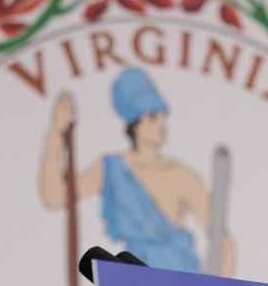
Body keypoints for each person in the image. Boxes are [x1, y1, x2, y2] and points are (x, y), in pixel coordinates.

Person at [40, 67, 234, 275]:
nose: (161, 125)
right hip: (135, 285)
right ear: (135, 124)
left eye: (162, 117)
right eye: (152, 117)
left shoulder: (181, 175)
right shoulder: (112, 169)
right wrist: (56, 133)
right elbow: (56, 195)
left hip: (183, 285)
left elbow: (221, 240)